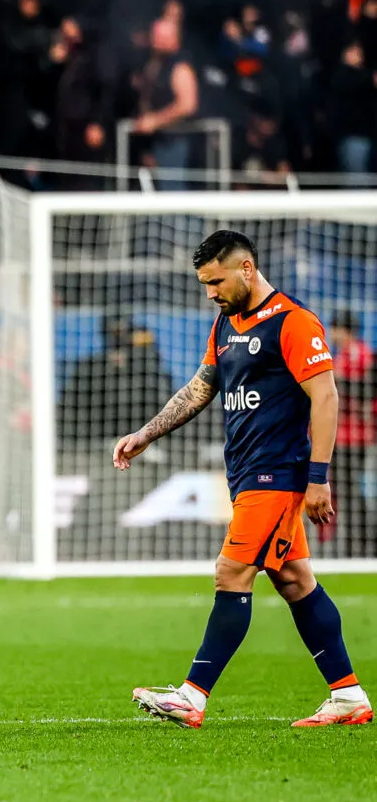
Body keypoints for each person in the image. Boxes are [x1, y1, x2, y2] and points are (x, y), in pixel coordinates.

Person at [120, 230, 371, 728]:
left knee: (231, 573)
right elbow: (200, 387)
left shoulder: (293, 322)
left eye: (216, 282)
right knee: (295, 580)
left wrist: (318, 478)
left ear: (247, 269)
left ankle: (192, 696)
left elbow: (326, 398)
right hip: (245, 472)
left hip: (276, 474)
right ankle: (347, 695)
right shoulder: (226, 324)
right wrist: (147, 433)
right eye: (205, 285)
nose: (210, 293)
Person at [132, 17, 198, 190]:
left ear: (175, 40)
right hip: (153, 142)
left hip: (175, 142)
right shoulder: (150, 64)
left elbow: (187, 104)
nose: (159, 42)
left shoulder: (180, 66)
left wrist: (155, 121)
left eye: (164, 37)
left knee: (173, 194)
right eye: (157, 36)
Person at [330, 311, 374, 556]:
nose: (332, 335)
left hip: (353, 436)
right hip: (344, 435)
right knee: (346, 491)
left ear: (344, 330)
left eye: (335, 329)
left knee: (350, 490)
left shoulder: (358, 354)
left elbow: (361, 392)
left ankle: (362, 543)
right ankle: (353, 543)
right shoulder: (348, 354)